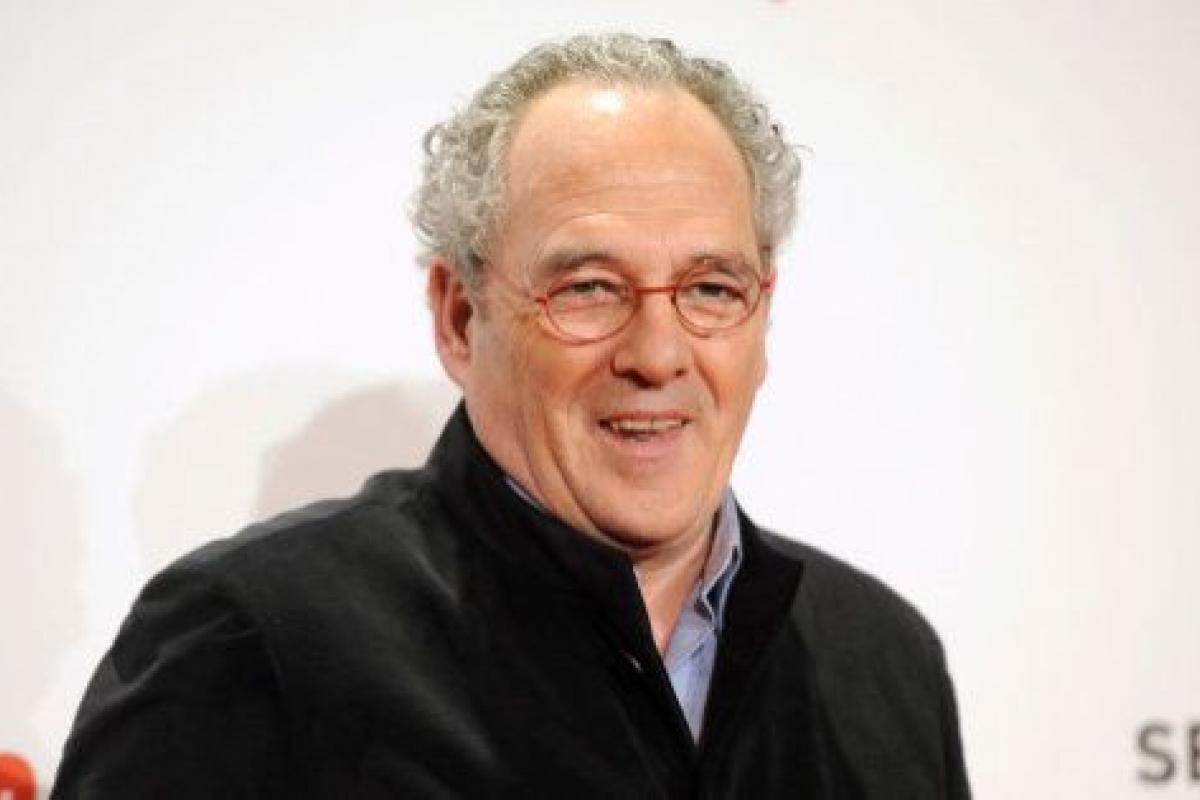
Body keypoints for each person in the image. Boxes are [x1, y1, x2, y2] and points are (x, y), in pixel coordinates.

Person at [53, 34, 970, 798]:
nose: (658, 355)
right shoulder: (254, 641)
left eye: (711, 288)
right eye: (589, 287)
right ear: (460, 317)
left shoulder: (882, 659)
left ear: (763, 315)